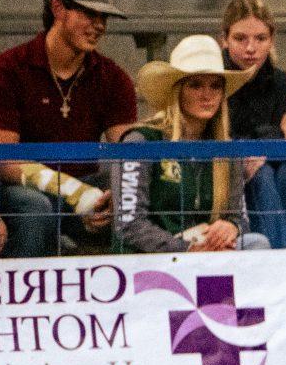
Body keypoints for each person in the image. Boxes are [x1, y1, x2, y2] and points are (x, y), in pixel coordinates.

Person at [0, 0, 137, 258]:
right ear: (58, 8)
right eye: (89, 14)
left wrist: (109, 196)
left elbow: (127, 152)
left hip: (85, 187)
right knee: (35, 206)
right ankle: (20, 301)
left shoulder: (113, 78)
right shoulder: (8, 69)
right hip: (23, 190)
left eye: (104, 17)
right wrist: (76, 193)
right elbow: (5, 160)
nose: (99, 25)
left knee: (131, 197)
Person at [110, 36, 268, 255]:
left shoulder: (227, 150)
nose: (207, 95)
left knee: (257, 243)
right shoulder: (141, 141)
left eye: (215, 86)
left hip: (206, 251)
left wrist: (231, 227)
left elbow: (240, 217)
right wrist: (185, 248)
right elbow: (129, 224)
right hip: (153, 259)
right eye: (195, 85)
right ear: (178, 91)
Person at [220, 0, 286, 252]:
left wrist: (272, 141)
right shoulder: (214, 79)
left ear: (271, 40)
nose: (251, 48)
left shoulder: (281, 81)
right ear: (225, 39)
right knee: (261, 174)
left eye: (260, 39)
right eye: (240, 39)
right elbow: (228, 138)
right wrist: (278, 133)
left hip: (276, 172)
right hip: (228, 177)